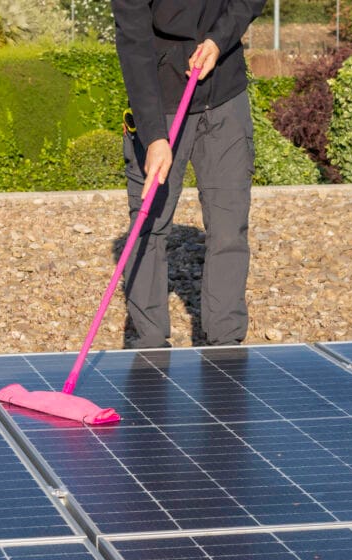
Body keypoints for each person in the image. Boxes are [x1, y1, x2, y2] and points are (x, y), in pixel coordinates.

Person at [111, 0, 266, 348]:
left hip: (225, 94)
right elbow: (134, 44)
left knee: (229, 227)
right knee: (149, 225)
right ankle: (150, 343)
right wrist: (154, 136)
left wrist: (218, 40)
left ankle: (225, 342)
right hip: (162, 102)